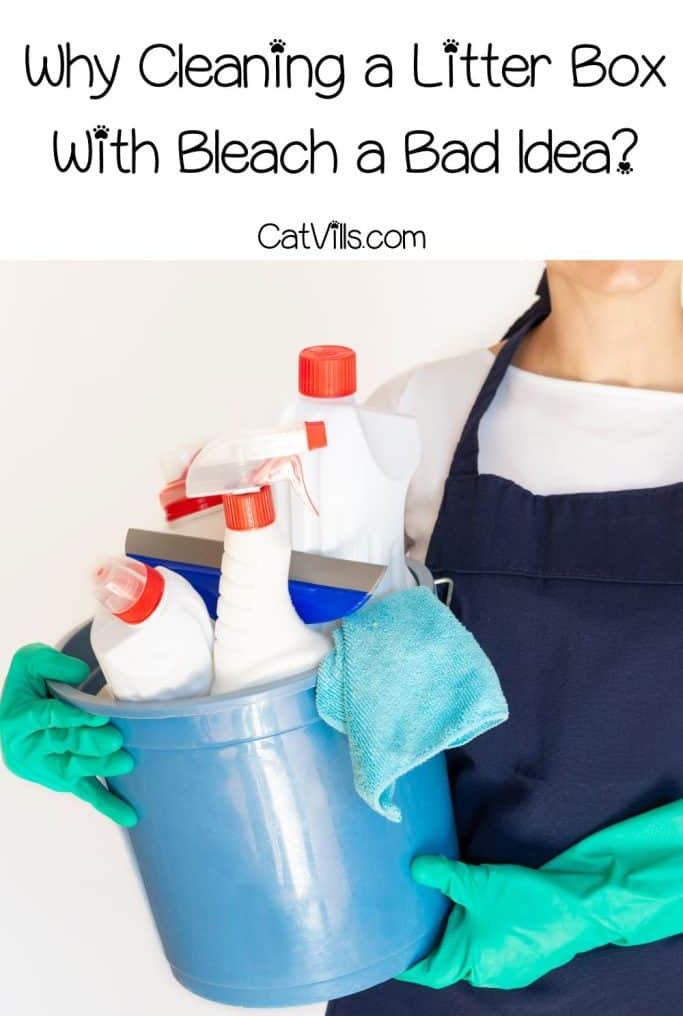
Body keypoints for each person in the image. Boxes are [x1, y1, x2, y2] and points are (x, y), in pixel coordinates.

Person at [2, 261, 683, 1015]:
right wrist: (94, 691)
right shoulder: (417, 412)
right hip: (417, 955)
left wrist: (600, 903)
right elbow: (279, 658)